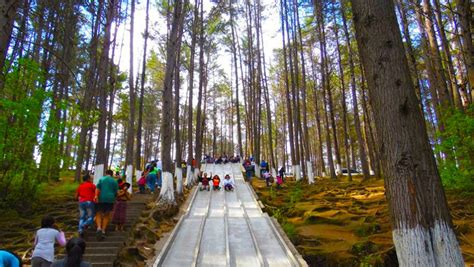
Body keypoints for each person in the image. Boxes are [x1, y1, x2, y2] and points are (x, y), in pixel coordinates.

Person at [94, 170, 119, 241]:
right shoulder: (114, 181)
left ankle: (98, 227)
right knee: (107, 215)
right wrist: (115, 198)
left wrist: (96, 196)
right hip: (110, 199)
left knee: (98, 213)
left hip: (101, 198)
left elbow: (97, 188)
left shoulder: (102, 179)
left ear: (105, 173)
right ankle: (103, 230)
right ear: (112, 174)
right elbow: (117, 192)